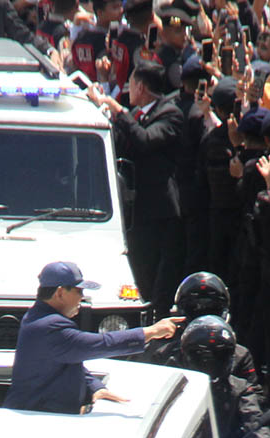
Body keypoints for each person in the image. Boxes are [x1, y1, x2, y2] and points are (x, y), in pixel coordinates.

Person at [3, 261, 181, 414]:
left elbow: (66, 363)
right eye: (78, 291)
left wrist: (96, 388)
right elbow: (100, 344)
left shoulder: (38, 318)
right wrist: (150, 332)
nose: (82, 297)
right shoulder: (49, 326)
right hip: (35, 422)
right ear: (60, 293)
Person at [88, 61, 186, 315]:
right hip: (134, 209)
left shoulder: (170, 113)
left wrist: (120, 111)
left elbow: (145, 140)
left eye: (130, 84)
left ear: (140, 87)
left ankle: (158, 319)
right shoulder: (136, 115)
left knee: (156, 275)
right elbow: (121, 144)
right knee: (139, 268)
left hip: (159, 209)